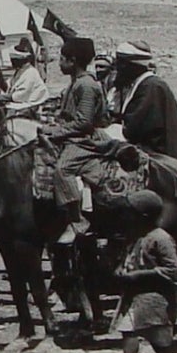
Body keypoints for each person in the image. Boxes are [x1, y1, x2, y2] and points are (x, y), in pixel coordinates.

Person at [104, 190, 177, 353]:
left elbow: (172, 270)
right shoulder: (137, 235)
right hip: (137, 295)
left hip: (154, 296)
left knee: (134, 330)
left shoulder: (161, 238)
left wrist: (139, 275)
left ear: (143, 216)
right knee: (152, 335)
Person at [32, 36, 110, 231]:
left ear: (73, 61)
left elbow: (84, 123)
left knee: (63, 169)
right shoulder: (76, 83)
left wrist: (55, 132)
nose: (59, 63)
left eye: (62, 58)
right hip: (72, 136)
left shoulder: (86, 86)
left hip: (85, 140)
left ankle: (75, 218)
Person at [110, 41, 177, 157]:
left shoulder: (150, 87)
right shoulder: (143, 84)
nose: (118, 70)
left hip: (159, 152)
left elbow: (133, 129)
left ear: (132, 66)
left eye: (121, 64)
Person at [0, 40, 48, 140]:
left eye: (13, 59)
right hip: (17, 102)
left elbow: (20, 96)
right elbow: (8, 88)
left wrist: (0, 97)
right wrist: (0, 79)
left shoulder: (31, 73)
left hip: (27, 104)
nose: (11, 62)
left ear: (19, 60)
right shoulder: (20, 72)